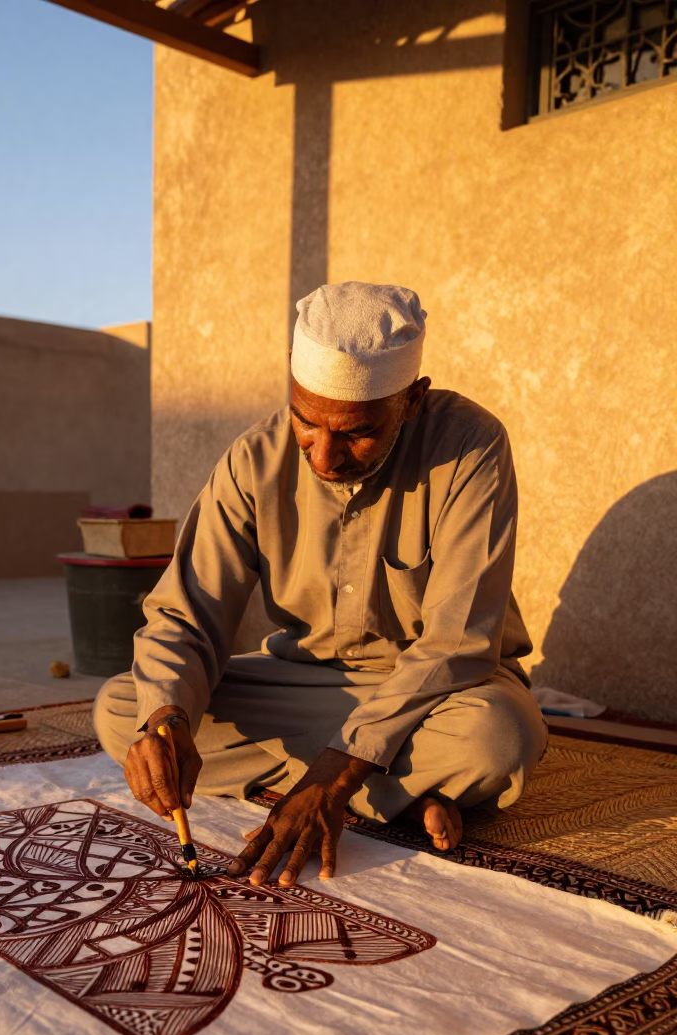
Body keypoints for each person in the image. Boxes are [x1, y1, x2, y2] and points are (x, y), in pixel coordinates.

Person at [94, 282, 547, 888]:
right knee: (127, 708)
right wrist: (166, 722)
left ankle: (343, 781)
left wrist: (330, 775)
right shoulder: (253, 459)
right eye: (306, 423)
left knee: (499, 738)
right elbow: (187, 614)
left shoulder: (470, 447)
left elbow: (458, 642)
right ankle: (396, 794)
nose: (325, 456)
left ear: (411, 400)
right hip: (303, 685)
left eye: (355, 432)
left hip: (439, 692)